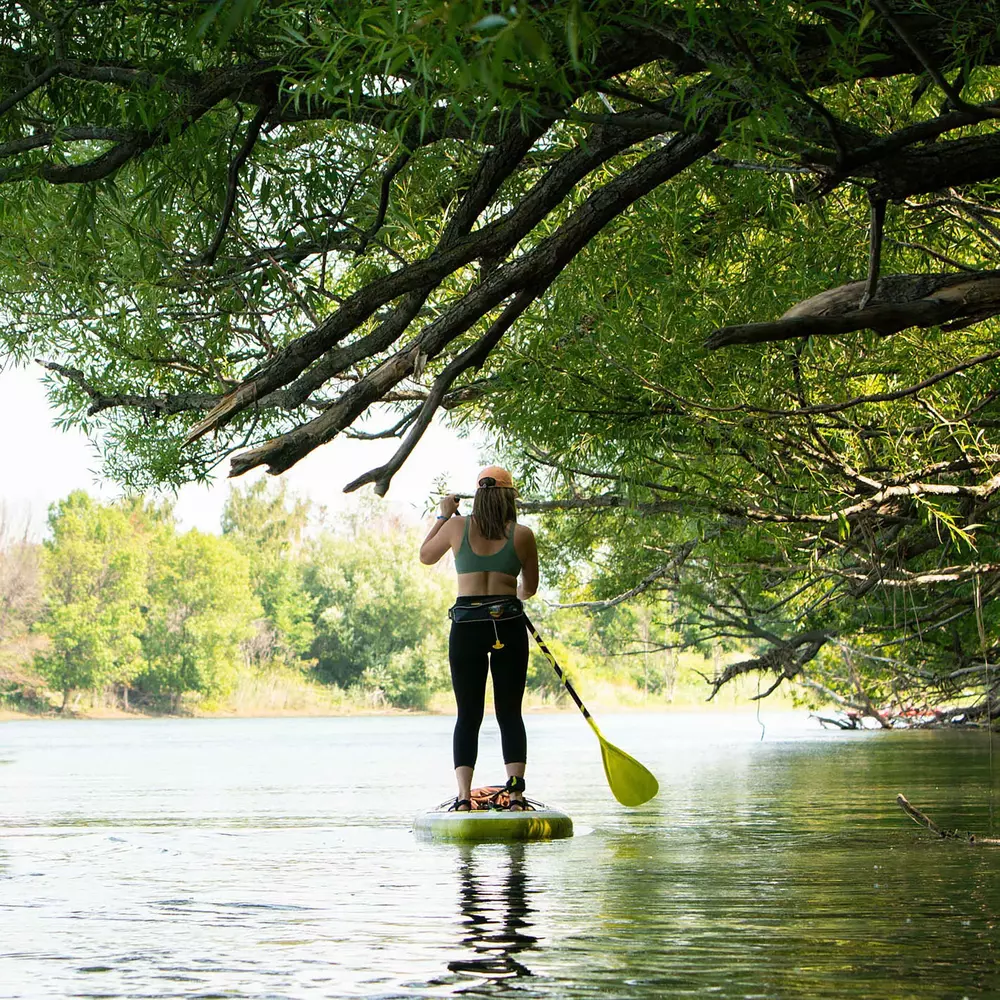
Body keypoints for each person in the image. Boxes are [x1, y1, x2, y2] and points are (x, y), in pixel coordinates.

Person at [419, 466, 539, 811]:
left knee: (467, 714)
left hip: (467, 627)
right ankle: (515, 796)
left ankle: (463, 798)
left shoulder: (456, 527)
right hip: (508, 624)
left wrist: (442, 516)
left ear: (480, 496)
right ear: (509, 497)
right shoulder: (523, 535)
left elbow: (426, 555)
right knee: (509, 713)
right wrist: (509, 593)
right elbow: (528, 589)